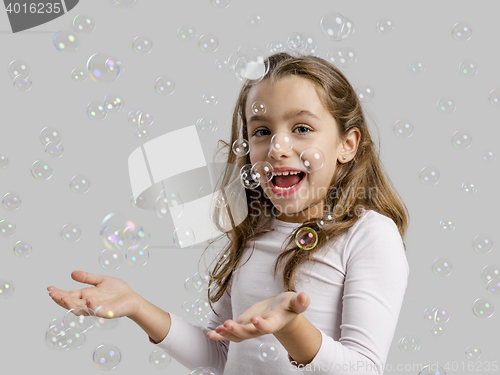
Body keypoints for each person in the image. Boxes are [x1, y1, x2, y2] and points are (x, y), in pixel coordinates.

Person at [47, 52, 410, 375]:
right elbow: (221, 355)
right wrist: (138, 307)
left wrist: (290, 328)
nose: (278, 148)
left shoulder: (369, 235)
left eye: (301, 128)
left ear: (347, 144)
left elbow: (364, 368)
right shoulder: (252, 232)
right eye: (262, 131)